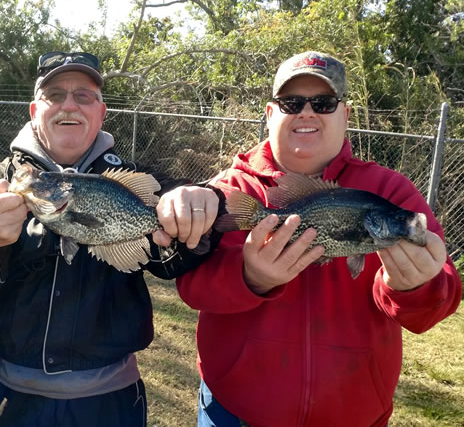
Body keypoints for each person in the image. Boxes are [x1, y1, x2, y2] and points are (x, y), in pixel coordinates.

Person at [176, 51, 462, 426]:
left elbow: (437, 303)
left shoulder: (389, 192)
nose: (307, 113)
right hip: (234, 412)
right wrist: (249, 278)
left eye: (323, 103)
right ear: (270, 114)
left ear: (345, 115)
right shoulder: (228, 191)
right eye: (292, 103)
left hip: (352, 415)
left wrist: (417, 287)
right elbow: (191, 286)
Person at [0, 51, 221, 426]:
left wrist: (198, 206)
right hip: (2, 396)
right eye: (55, 94)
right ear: (34, 110)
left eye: (83, 96)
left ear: (101, 113)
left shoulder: (135, 180)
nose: (69, 105)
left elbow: (177, 253)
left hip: (106, 402)